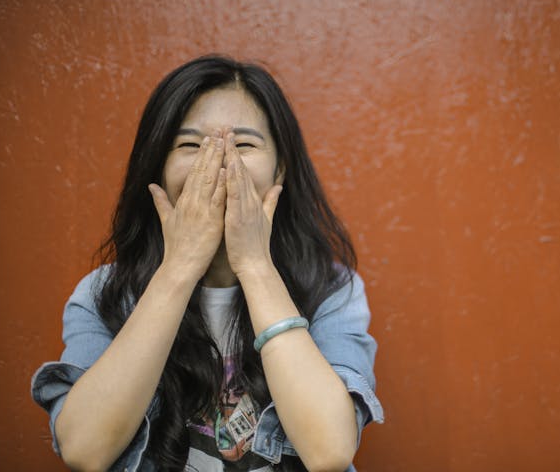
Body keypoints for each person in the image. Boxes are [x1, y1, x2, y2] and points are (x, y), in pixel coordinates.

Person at [31, 55, 384, 472]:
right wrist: (180, 268)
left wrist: (254, 265)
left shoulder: (332, 291)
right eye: (190, 145)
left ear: (280, 170)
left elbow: (330, 451)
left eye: (245, 145)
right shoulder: (104, 294)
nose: (217, 162)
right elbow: (85, 450)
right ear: (158, 169)